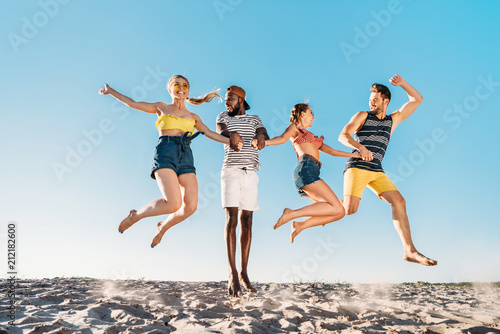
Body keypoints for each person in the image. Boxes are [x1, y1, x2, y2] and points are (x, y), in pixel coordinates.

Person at [99, 75, 238, 248]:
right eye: (177, 85)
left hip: (186, 155)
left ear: (188, 91)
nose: (181, 88)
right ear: (170, 89)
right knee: (173, 203)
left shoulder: (193, 116)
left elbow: (210, 133)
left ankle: (163, 227)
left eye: (185, 85)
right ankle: (135, 216)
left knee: (191, 207)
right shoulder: (161, 107)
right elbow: (133, 103)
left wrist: (233, 142)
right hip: (165, 152)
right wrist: (111, 91)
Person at [338, 74, 437, 266]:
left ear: (386, 101)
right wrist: (361, 148)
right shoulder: (362, 116)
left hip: (376, 169)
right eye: (370, 100)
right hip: (357, 167)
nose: (371, 103)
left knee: (399, 201)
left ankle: (410, 251)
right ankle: (325, 205)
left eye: (375, 100)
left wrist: (403, 84)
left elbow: (417, 100)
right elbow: (343, 135)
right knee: (349, 210)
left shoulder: (393, 120)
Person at [260, 103, 362, 243]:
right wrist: (265, 143)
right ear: (302, 114)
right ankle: (292, 214)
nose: (313, 117)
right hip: (305, 168)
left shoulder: (313, 138)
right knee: (337, 207)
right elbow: (282, 138)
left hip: (311, 170)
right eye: (311, 113)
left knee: (340, 212)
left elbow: (333, 152)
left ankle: (300, 225)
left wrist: (358, 156)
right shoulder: (294, 128)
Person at [216, 85, 268, 297]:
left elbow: (263, 132)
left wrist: (262, 137)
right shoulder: (223, 116)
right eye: (226, 99)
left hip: (251, 173)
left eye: (230, 98)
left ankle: (244, 272)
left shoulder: (254, 119)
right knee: (231, 220)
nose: (226, 102)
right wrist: (232, 133)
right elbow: (221, 130)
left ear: (241, 100)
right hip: (231, 171)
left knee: (247, 222)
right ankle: (232, 273)